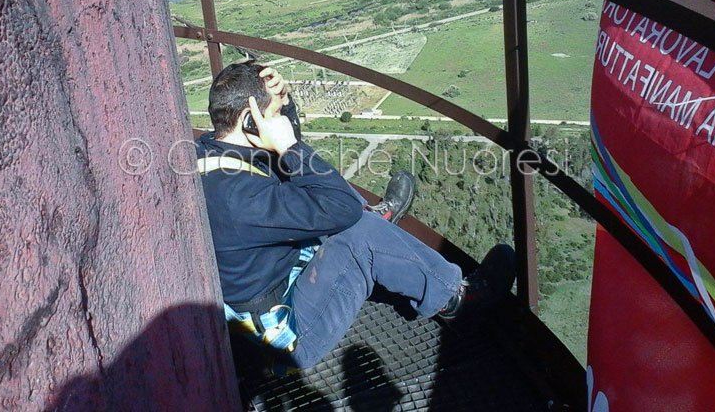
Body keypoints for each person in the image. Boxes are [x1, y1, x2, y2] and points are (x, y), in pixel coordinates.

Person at [195, 61, 514, 370]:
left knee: (319, 185)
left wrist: (285, 104)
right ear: (250, 121)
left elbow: (292, 168)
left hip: (273, 273)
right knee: (357, 230)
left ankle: (377, 228)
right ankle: (455, 301)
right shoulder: (240, 199)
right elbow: (334, 203)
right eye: (275, 114)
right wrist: (289, 146)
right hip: (288, 334)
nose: (279, 124)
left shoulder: (212, 152)